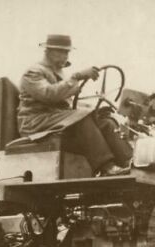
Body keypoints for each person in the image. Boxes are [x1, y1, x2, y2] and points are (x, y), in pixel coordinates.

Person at [17, 34, 132, 176]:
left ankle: (129, 162)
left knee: (106, 122)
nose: (66, 56)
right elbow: (49, 95)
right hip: (36, 122)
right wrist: (77, 76)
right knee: (82, 118)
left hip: (54, 121)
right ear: (49, 51)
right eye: (62, 51)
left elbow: (67, 104)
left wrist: (94, 110)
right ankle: (107, 167)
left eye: (67, 52)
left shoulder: (58, 73)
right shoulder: (33, 73)